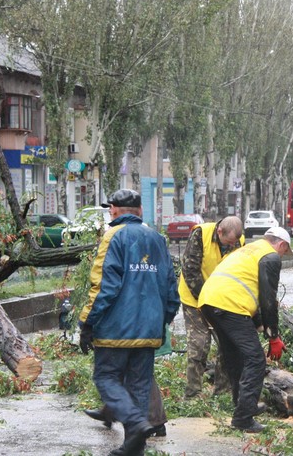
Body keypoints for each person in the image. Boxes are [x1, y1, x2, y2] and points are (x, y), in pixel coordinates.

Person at [78, 189, 180, 456]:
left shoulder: (113, 236)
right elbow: (171, 286)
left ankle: (135, 423)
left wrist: (86, 323)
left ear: (114, 210)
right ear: (140, 211)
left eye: (110, 209)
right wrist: (163, 321)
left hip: (115, 330)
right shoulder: (157, 238)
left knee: (107, 377)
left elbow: (103, 287)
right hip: (149, 330)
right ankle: (134, 448)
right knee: (138, 385)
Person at [197, 226, 291, 433]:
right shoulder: (270, 257)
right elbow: (268, 300)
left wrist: (259, 324)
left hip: (209, 301)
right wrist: (273, 337)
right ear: (281, 245)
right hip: (230, 304)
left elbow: (249, 290)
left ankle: (242, 405)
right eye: (284, 252)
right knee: (255, 359)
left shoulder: (247, 250)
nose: (282, 256)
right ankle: (243, 418)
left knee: (235, 355)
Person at [179, 216, 244, 398]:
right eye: (228, 242)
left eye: (234, 243)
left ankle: (222, 393)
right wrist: (205, 301)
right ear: (219, 231)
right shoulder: (200, 234)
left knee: (227, 344)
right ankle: (193, 394)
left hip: (222, 302)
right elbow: (190, 270)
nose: (231, 246)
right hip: (194, 297)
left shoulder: (240, 242)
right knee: (199, 345)